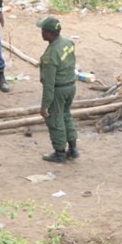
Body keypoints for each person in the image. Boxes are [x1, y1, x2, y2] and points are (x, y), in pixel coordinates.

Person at [36, 16, 79, 163]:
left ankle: (59, 152)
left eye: (42, 30)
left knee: (55, 119)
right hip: (71, 85)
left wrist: (45, 105)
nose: (41, 33)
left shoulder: (50, 54)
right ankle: (73, 148)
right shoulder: (68, 42)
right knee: (66, 115)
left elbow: (49, 83)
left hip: (58, 89)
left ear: (48, 33)